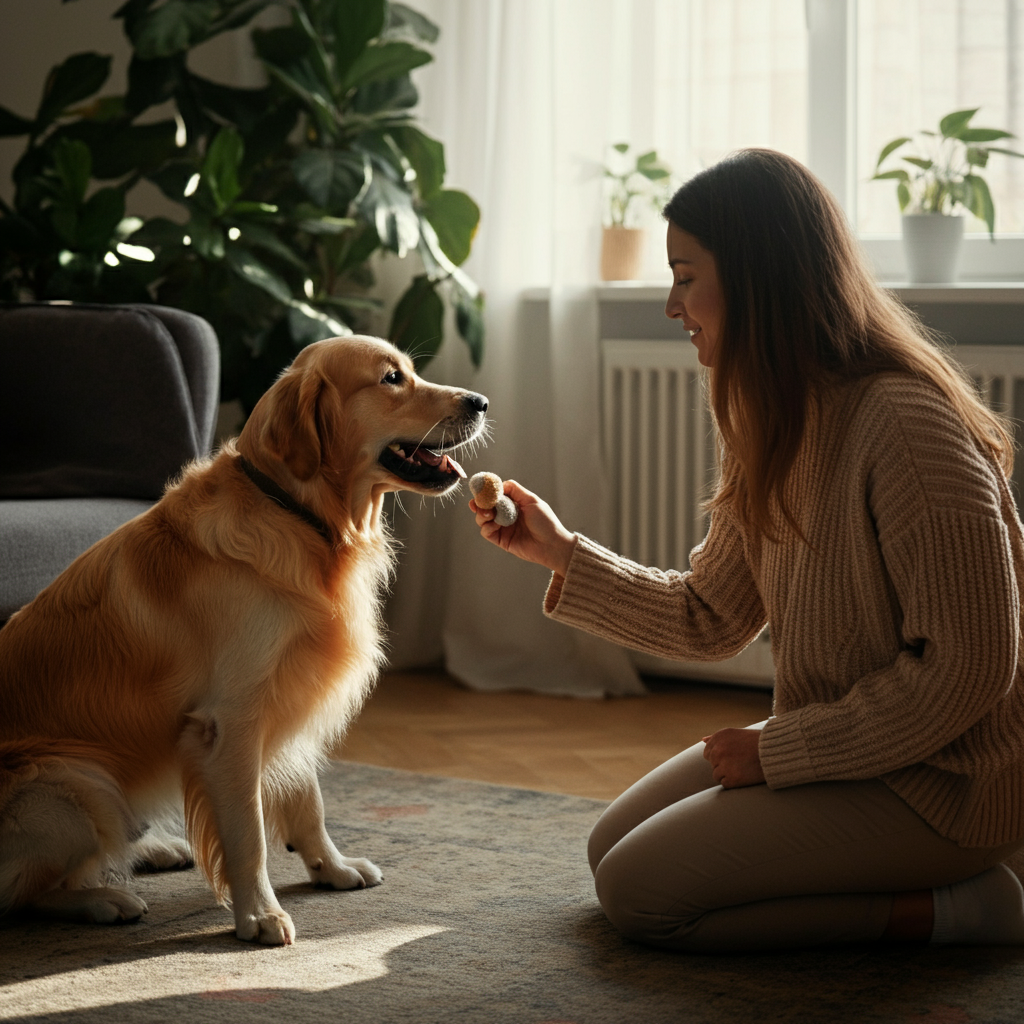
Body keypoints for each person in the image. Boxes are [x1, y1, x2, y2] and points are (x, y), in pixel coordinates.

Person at [470, 148, 1024, 953]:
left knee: (640, 895)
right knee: (607, 851)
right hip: (853, 753)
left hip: (951, 784)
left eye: (686, 275)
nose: (671, 304)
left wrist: (781, 750)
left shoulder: (907, 425)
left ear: (759, 278)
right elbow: (710, 616)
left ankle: (973, 908)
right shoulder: (773, 420)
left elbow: (970, 668)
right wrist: (561, 554)